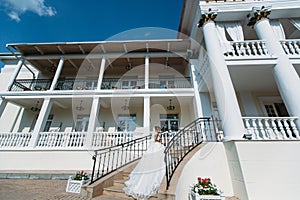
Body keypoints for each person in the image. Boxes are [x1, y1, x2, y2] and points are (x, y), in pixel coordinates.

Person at [123, 126, 166, 199]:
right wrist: (159, 141)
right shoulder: (156, 134)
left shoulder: (158, 134)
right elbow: (155, 140)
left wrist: (160, 141)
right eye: (158, 129)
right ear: (156, 130)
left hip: (155, 147)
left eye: (159, 129)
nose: (159, 130)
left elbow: (157, 140)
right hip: (156, 146)